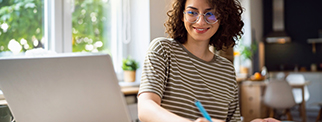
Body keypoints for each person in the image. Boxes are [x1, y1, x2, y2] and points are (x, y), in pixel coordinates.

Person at [138, 0, 244, 121]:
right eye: (192, 12)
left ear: (223, 18)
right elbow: (145, 108)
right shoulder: (163, 50)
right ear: (182, 15)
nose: (200, 21)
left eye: (210, 14)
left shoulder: (227, 69)